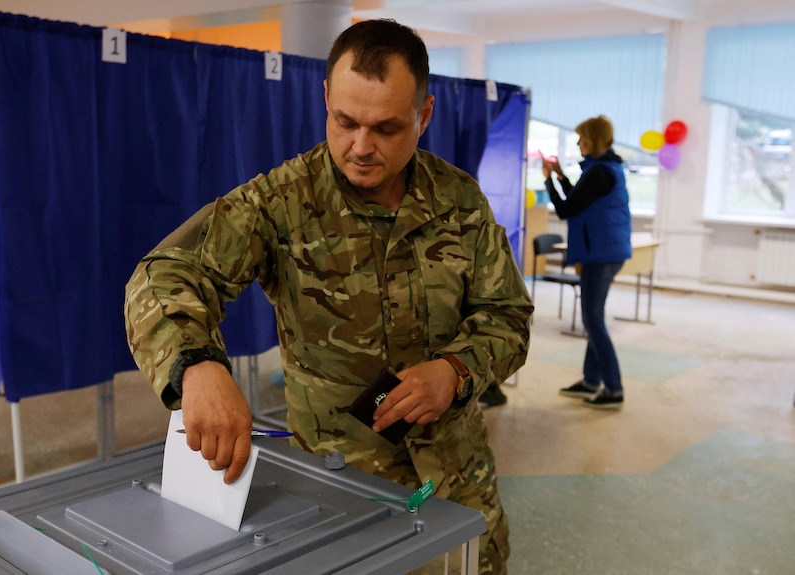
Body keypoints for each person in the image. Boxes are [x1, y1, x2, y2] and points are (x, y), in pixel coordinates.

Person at [125, 19, 532, 574]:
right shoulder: (282, 203)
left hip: (457, 479)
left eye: (386, 129)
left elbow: (507, 317)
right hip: (341, 489)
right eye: (345, 122)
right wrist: (197, 367)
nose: (360, 147)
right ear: (326, 99)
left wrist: (456, 371)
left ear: (425, 115)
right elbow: (162, 276)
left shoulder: (459, 199)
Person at [541, 115, 631, 410]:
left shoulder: (599, 172)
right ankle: (591, 381)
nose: (579, 143)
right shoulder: (603, 168)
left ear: (593, 140)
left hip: (600, 254)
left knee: (593, 321)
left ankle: (613, 387)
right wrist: (559, 177)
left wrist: (547, 180)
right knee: (594, 319)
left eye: (582, 138)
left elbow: (566, 209)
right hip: (605, 250)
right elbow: (579, 199)